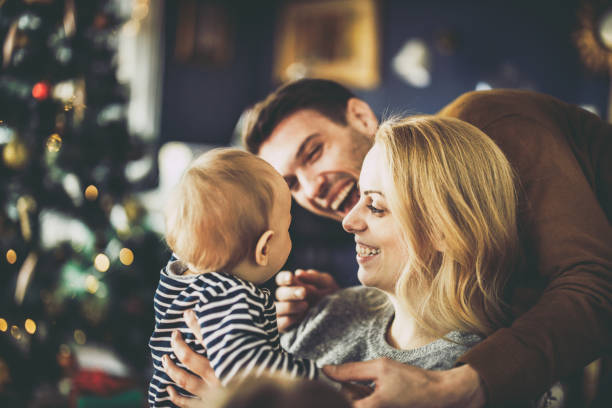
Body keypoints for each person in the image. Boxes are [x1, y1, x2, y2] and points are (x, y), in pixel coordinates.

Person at [165, 79, 612, 407]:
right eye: (290, 185)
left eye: (313, 152)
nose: (310, 191)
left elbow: (593, 285)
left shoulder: (492, 127)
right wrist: (346, 306)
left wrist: (460, 384)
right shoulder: (335, 311)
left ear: (361, 117)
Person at [148, 148, 336, 407]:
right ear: (264, 248)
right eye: (286, 227)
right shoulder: (232, 296)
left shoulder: (178, 279)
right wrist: (321, 380)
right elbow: (254, 371)